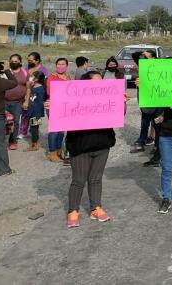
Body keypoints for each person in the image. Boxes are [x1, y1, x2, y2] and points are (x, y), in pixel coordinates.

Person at [65, 70, 116, 228]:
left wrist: (121, 102)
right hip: (81, 146)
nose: (100, 84)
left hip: (102, 144)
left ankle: (96, 207)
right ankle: (73, 211)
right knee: (78, 180)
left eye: (101, 81)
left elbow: (118, 115)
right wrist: (53, 105)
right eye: (96, 81)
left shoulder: (107, 97)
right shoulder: (73, 98)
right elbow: (62, 117)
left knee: (96, 179)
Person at [45, 58, 71, 163]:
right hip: (53, 105)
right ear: (56, 66)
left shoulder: (68, 77)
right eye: (59, 64)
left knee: (61, 130)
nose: (61, 66)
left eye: (63, 64)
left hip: (64, 106)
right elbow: (50, 91)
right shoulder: (51, 77)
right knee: (54, 130)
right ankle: (52, 152)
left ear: (67, 65)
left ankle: (58, 149)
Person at [21, 52, 48, 138]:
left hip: (37, 97)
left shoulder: (43, 70)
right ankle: (23, 131)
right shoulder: (26, 69)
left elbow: (45, 83)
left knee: (36, 117)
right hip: (27, 95)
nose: (29, 62)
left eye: (31, 60)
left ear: (37, 60)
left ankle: (34, 136)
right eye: (28, 60)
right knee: (25, 114)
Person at [4, 54, 28, 150]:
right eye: (12, 61)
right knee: (2, 122)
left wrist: (26, 101)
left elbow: (28, 87)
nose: (13, 63)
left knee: (16, 122)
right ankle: (1, 141)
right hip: (3, 101)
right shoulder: (5, 72)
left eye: (15, 61)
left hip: (17, 102)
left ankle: (13, 141)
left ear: (20, 62)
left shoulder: (25, 73)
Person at [22, 71, 46, 151]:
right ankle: (35, 142)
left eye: (32, 76)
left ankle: (34, 145)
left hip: (36, 112)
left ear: (37, 79)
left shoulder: (40, 89)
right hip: (32, 111)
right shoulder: (33, 87)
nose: (30, 77)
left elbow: (39, 102)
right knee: (33, 128)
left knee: (34, 128)